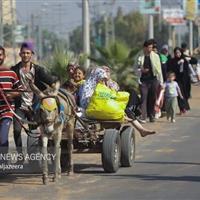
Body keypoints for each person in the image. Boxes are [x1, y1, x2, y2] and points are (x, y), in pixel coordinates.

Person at [81, 66, 155, 137]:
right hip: (92, 107)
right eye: (104, 70)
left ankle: (141, 129)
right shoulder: (91, 83)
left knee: (126, 104)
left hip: (107, 106)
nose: (106, 72)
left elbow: (116, 96)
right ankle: (138, 127)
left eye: (107, 71)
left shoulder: (112, 83)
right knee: (123, 109)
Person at [11, 42, 58, 154]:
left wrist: (47, 92)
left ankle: (33, 154)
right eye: (23, 53)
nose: (25, 55)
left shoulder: (39, 70)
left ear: (32, 54)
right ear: (20, 54)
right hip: (20, 106)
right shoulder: (14, 70)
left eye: (28, 53)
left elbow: (52, 83)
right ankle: (20, 155)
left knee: (34, 132)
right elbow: (9, 86)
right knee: (17, 131)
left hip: (35, 107)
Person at [0, 46, 21, 153]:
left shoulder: (11, 73)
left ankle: (3, 166)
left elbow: (20, 90)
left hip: (6, 110)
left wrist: (12, 95)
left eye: (0, 55)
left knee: (3, 140)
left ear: (4, 56)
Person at [137, 39, 163, 123]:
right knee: (143, 98)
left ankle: (151, 115)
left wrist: (161, 81)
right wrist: (141, 70)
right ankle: (143, 116)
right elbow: (136, 68)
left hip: (153, 80)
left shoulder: (155, 56)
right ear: (144, 48)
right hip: (143, 81)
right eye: (148, 47)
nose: (150, 49)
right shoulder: (140, 56)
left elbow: (159, 69)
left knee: (152, 98)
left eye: (151, 47)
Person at [167, 47, 191, 114]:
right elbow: (171, 69)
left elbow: (187, 71)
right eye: (176, 53)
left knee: (185, 94)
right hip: (177, 80)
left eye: (179, 52)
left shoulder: (184, 61)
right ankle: (182, 108)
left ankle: (184, 107)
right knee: (180, 94)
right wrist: (178, 63)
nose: (178, 54)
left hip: (184, 80)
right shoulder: (173, 61)